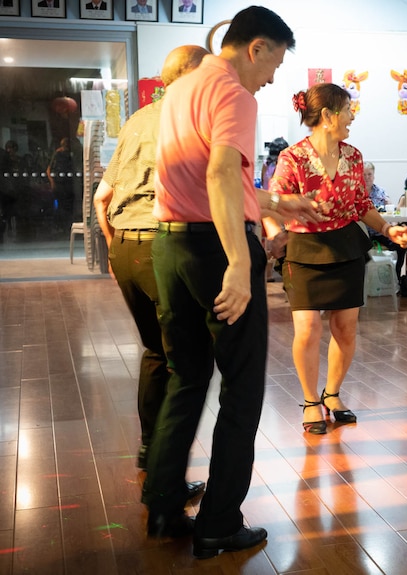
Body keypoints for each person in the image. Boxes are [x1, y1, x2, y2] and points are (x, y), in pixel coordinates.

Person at [142, 7, 319, 559]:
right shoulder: (236, 93)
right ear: (256, 47)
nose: (271, 78)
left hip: (169, 245)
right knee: (243, 389)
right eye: (274, 63)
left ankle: (164, 505)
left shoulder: (179, 90)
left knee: (186, 377)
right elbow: (220, 174)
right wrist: (240, 263)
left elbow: (210, 180)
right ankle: (218, 523)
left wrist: (278, 202)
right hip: (215, 248)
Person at [92, 46, 208, 501]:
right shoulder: (189, 117)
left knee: (155, 353)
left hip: (125, 247)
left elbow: (104, 196)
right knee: (184, 359)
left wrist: (116, 246)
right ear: (192, 74)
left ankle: (148, 452)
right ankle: (166, 480)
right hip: (164, 243)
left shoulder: (138, 119)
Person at [269, 83, 407, 435]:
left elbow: (363, 205)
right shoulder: (293, 158)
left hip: (347, 245)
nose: (352, 116)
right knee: (307, 329)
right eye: (348, 109)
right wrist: (275, 233)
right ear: (329, 116)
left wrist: (388, 229)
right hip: (303, 249)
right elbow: (272, 203)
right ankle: (310, 401)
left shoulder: (353, 156)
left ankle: (332, 394)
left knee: (345, 328)